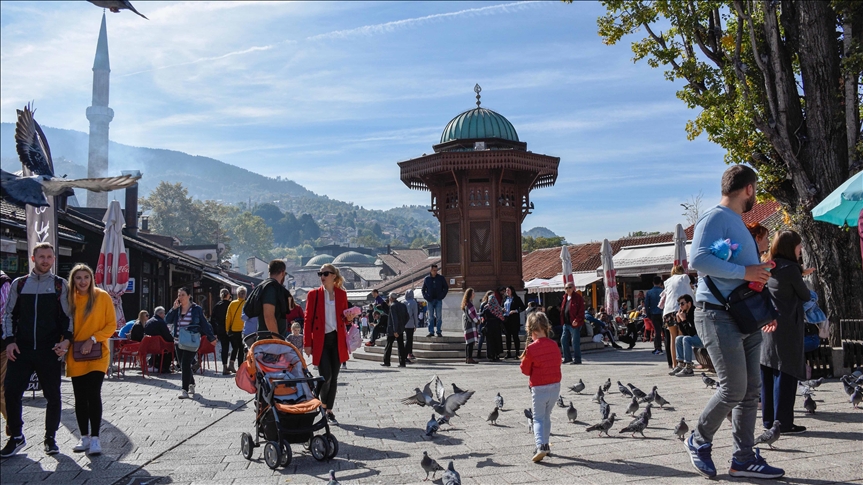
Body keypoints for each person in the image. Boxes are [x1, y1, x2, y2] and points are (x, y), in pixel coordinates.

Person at [685, 165, 784, 479]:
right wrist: (747, 272)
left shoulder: (736, 223)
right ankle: (698, 439)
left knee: (750, 390)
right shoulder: (715, 217)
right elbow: (698, 260)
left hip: (743, 314)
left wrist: (758, 269)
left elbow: (735, 267)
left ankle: (743, 458)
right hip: (717, 313)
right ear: (750, 189)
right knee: (733, 388)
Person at [1, 243, 72, 457]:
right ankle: (16, 436)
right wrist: (9, 341)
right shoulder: (19, 284)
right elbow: (8, 315)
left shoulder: (60, 285)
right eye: (41, 256)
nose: (45, 260)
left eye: (49, 257)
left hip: (49, 350)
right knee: (11, 392)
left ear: (53, 260)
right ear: (33, 259)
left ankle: (50, 438)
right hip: (20, 349)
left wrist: (66, 341)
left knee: (53, 396)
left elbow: (69, 317)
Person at [762, 230, 812, 435]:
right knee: (786, 372)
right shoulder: (791, 268)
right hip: (787, 326)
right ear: (791, 247)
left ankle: (769, 420)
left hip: (768, 325)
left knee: (769, 370)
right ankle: (784, 422)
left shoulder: (770, 265)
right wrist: (802, 276)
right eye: (799, 246)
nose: (801, 249)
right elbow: (805, 295)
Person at [65, 264, 116, 456]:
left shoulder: (102, 296)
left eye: (86, 277)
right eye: (78, 278)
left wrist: (93, 338)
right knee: (80, 397)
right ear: (73, 280)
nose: (83, 281)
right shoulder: (68, 298)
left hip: (98, 352)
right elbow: (64, 325)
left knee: (93, 393)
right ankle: (84, 436)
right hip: (76, 353)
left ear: (91, 278)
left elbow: (111, 325)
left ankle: (95, 438)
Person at [303, 263, 350, 425]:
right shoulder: (314, 295)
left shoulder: (341, 294)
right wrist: (307, 343)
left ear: (334, 276)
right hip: (321, 340)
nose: (322, 277)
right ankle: (321, 405)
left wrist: (349, 318)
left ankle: (328, 410)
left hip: (337, 340)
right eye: (320, 274)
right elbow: (308, 320)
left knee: (334, 377)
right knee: (326, 376)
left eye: (325, 274)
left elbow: (344, 316)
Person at [519, 312, 561, 463]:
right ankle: (546, 444)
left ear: (530, 330)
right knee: (547, 416)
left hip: (539, 388)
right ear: (546, 327)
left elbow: (524, 370)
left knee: (537, 418)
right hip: (555, 387)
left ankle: (540, 446)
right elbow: (557, 362)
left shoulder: (531, 348)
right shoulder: (554, 344)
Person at [165, 287, 216, 400]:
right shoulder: (177, 309)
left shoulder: (196, 309)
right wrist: (173, 309)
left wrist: (211, 337)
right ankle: (191, 383)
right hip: (178, 340)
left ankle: (184, 390)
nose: (180, 297)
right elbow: (167, 320)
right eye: (179, 295)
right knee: (183, 364)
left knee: (185, 364)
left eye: (183, 294)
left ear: (189, 296)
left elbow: (204, 323)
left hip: (191, 340)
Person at [662, 265, 695, 367]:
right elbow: (689, 293)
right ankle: (683, 363)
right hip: (679, 309)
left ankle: (674, 364)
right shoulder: (685, 277)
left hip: (668, 310)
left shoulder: (667, 281)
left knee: (673, 338)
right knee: (681, 336)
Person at [670, 295, 700, 376]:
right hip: (695, 337)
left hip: (703, 339)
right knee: (679, 338)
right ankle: (680, 364)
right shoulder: (685, 313)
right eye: (679, 304)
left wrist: (684, 320)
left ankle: (688, 367)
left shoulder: (695, 313)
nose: (680, 306)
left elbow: (692, 333)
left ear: (689, 303)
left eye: (682, 303)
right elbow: (685, 333)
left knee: (686, 339)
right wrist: (679, 322)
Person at [259, 260, 290, 338]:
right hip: (270, 342)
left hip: (270, 341)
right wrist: (277, 341)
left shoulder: (272, 288)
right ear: (282, 273)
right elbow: (269, 316)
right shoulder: (270, 288)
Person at [559, 283, 585, 365]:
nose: (568, 289)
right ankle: (567, 358)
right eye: (566, 288)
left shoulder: (578, 297)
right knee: (563, 340)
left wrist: (577, 320)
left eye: (569, 287)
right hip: (566, 323)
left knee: (575, 342)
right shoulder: (565, 298)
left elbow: (581, 311)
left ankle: (577, 359)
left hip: (574, 324)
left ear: (573, 288)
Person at [421, 264, 449, 337]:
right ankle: (431, 331)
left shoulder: (441, 278)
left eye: (436, 270)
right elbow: (423, 290)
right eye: (434, 270)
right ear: (431, 270)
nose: (435, 272)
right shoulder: (427, 279)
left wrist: (441, 296)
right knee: (430, 317)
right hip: (430, 300)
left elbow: (446, 288)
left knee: (439, 316)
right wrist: (426, 297)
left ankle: (438, 331)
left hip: (438, 300)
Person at [225, 287, 247, 373]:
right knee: (241, 349)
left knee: (235, 348)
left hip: (233, 330)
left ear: (237, 294)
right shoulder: (247, 304)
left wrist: (227, 329)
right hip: (243, 330)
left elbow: (228, 318)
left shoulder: (232, 304)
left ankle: (231, 363)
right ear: (245, 295)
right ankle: (240, 367)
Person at [210, 289, 232, 375]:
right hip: (230, 329)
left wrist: (215, 331)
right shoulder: (230, 305)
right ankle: (232, 364)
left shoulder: (217, 306)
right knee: (235, 347)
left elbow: (212, 319)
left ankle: (224, 366)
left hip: (220, 329)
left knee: (224, 347)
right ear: (228, 295)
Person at [144, 307, 173, 372]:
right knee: (172, 347)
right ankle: (165, 367)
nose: (164, 315)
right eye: (164, 313)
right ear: (160, 313)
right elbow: (167, 335)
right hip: (160, 345)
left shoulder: (148, 322)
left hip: (149, 346)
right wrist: (173, 340)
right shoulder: (161, 322)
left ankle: (154, 364)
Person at [382, 294, 408, 367]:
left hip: (393, 329)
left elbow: (394, 319)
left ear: (391, 298)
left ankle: (387, 361)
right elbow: (407, 316)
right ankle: (402, 362)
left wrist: (395, 330)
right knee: (401, 346)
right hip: (400, 329)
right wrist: (402, 325)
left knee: (388, 346)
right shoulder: (403, 305)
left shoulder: (393, 306)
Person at [0, 270, 12, 424]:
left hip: (2, 345)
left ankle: (13, 424)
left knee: (1, 388)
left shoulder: (3, 281)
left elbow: (5, 313)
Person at [480, 290, 505, 362]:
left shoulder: (487, 307)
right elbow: (501, 317)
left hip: (489, 325)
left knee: (490, 342)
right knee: (497, 340)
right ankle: (497, 355)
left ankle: (490, 355)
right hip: (496, 326)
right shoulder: (497, 307)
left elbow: (482, 314)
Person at [503, 286, 526, 359]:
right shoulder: (504, 299)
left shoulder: (516, 299)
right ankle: (508, 352)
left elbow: (523, 307)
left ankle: (517, 352)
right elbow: (501, 306)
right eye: (506, 290)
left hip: (514, 319)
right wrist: (502, 309)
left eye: (508, 290)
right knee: (508, 336)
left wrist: (515, 311)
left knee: (515, 336)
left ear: (512, 291)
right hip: (506, 319)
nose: (507, 292)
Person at [644, 276, 665, 356]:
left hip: (653, 314)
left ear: (653, 283)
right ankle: (668, 346)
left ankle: (658, 348)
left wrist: (649, 314)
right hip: (663, 313)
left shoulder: (649, 292)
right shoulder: (663, 291)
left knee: (657, 331)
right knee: (665, 331)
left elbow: (646, 305)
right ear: (660, 283)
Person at [461, 288, 479, 364]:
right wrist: (477, 321)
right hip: (470, 325)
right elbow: (472, 315)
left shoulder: (467, 303)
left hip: (467, 325)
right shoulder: (469, 304)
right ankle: (469, 358)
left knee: (468, 342)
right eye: (473, 293)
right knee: (470, 342)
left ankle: (468, 358)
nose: (474, 294)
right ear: (470, 295)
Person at [404, 290, 419, 363]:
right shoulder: (414, 303)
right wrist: (416, 324)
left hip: (404, 323)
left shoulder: (403, 302)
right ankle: (407, 353)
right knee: (409, 339)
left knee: (407, 338)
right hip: (410, 323)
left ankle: (408, 353)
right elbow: (415, 314)